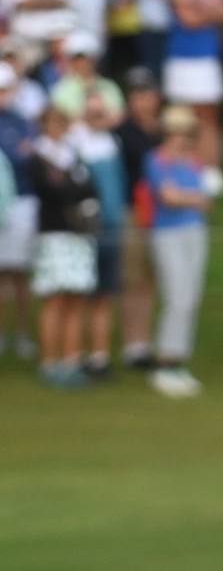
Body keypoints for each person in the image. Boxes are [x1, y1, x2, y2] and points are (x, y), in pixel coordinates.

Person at [29, 105, 98, 389]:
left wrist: (69, 186)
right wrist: (71, 187)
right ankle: (50, 361)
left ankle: (71, 360)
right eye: (52, 122)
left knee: (76, 297)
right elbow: (52, 191)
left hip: (78, 234)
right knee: (54, 299)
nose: (58, 127)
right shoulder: (38, 156)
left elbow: (89, 189)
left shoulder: (74, 156)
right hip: (53, 233)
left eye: (62, 122)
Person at [144, 104, 210, 396]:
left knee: (191, 296)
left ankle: (179, 359)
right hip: (167, 233)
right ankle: (164, 362)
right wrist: (190, 198)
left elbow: (205, 199)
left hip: (194, 231)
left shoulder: (193, 161)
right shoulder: (157, 160)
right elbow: (168, 198)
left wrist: (189, 198)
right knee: (177, 296)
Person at [163, 0, 223, 192]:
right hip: (182, 56)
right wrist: (211, 7)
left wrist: (199, 5)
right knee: (182, 116)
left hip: (207, 56)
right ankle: (183, 166)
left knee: (208, 116)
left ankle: (210, 168)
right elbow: (188, 18)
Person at [68, 90, 127, 379]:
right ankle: (75, 354)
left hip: (112, 228)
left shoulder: (111, 142)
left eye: (100, 112)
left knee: (105, 294)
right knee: (81, 295)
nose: (97, 117)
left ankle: (99, 356)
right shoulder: (76, 143)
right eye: (92, 112)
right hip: (86, 230)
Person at [114, 66, 161, 370]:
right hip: (132, 210)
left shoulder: (161, 131)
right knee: (133, 280)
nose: (142, 100)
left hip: (160, 213)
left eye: (146, 93)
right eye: (136, 94)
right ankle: (132, 344)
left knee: (150, 279)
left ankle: (144, 341)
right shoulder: (122, 132)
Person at [0, 62, 40, 362]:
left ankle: (23, 332)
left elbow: (28, 158)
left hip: (23, 202)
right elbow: (17, 154)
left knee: (19, 272)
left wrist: (19, 152)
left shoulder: (22, 120)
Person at [50, 31, 125, 124]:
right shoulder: (61, 89)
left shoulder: (109, 86)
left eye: (85, 57)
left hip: (107, 137)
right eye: (77, 58)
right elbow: (60, 121)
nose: (82, 62)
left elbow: (119, 116)